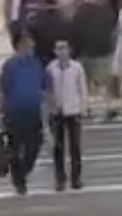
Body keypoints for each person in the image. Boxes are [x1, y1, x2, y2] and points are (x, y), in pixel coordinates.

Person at [0, 32, 49, 196]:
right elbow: (2, 90)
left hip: (33, 110)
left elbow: (44, 85)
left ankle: (24, 170)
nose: (31, 46)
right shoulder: (10, 66)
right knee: (14, 146)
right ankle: (19, 180)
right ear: (19, 45)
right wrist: (0, 113)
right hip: (14, 111)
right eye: (28, 43)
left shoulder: (36, 64)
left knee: (35, 144)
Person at [45, 39, 88, 191]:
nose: (62, 51)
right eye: (59, 48)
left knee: (75, 147)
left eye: (64, 48)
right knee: (58, 147)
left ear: (69, 50)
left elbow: (82, 89)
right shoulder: (51, 68)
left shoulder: (77, 68)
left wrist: (83, 109)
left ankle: (76, 178)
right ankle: (60, 178)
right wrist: (50, 107)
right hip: (57, 111)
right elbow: (48, 91)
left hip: (73, 110)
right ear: (55, 51)